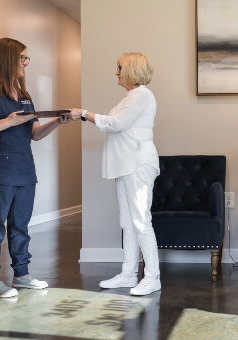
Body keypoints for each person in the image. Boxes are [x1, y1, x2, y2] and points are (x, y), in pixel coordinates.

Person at [70, 52, 161, 296]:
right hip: (126, 165)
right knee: (128, 224)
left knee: (141, 221)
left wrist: (84, 113)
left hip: (138, 164)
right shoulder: (131, 97)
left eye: (119, 67)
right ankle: (129, 274)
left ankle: (152, 277)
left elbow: (115, 124)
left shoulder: (141, 95)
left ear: (131, 69)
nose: (116, 72)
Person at [0, 37, 72, 298]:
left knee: (20, 225)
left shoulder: (25, 96)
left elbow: (35, 134)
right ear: (8, 59)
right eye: (22, 58)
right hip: (0, 170)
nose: (26, 63)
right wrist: (9, 121)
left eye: (27, 58)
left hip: (25, 168)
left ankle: (22, 275)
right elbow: (5, 125)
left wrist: (56, 122)